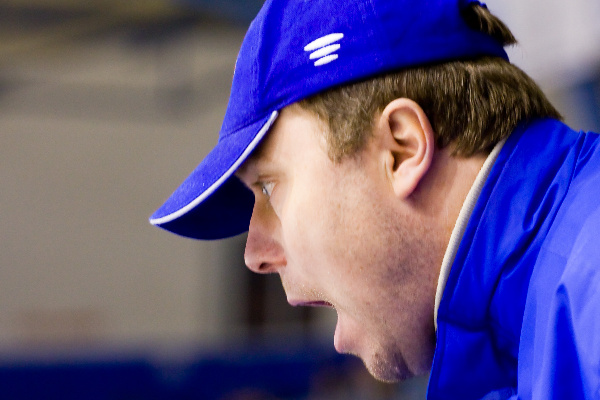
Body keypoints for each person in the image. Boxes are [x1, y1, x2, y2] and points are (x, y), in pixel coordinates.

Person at [150, 0, 600, 398]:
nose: (255, 254)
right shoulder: (541, 324)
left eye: (268, 186)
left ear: (401, 149)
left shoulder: (588, 292)